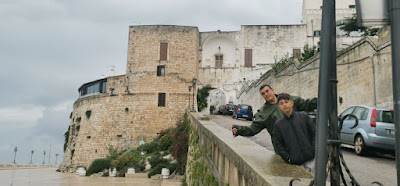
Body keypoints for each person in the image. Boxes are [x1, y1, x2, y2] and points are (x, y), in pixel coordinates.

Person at [231, 84, 316, 151]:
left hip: (301, 141)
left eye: (267, 91)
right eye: (263, 94)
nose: (266, 94)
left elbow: (306, 104)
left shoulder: (288, 100)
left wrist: (322, 99)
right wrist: (239, 130)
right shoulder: (264, 113)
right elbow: (253, 129)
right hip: (284, 148)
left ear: (272, 90)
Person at [273, 93, 315, 173]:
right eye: (281, 103)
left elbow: (314, 134)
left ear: (292, 103)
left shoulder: (304, 116)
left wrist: (313, 150)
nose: (284, 105)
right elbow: (279, 144)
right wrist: (287, 158)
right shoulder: (279, 124)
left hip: (312, 159)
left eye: (286, 102)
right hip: (295, 163)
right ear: (279, 107)